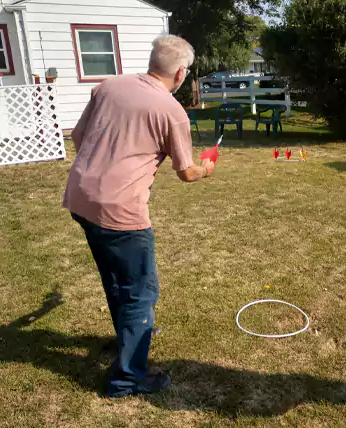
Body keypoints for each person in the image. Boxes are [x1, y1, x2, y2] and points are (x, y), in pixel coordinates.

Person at [63, 35, 215, 398]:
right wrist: (208, 167)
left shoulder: (108, 85)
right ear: (180, 73)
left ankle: (127, 336)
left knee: (116, 278)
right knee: (140, 293)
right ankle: (127, 379)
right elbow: (187, 172)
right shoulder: (171, 110)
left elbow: (78, 136)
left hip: (81, 199)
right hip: (120, 211)